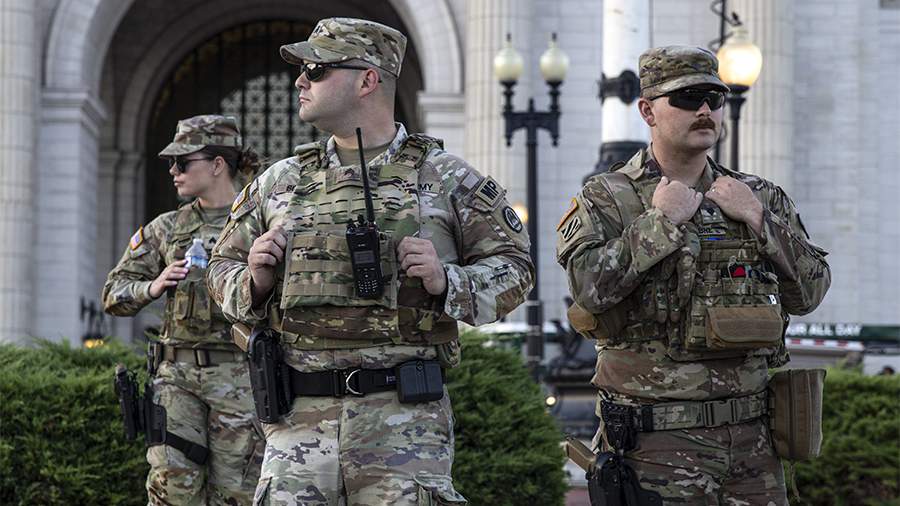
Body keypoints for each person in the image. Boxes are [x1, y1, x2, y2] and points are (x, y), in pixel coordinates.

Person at [207, 17, 534, 506]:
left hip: (404, 430)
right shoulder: (280, 182)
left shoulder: (445, 178)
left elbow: (516, 268)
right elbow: (218, 268)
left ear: (367, 79)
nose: (300, 81)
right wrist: (253, 280)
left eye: (316, 70)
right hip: (297, 428)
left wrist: (450, 282)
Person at [556, 46, 831, 504]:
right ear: (647, 110)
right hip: (656, 446)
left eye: (713, 98)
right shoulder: (608, 198)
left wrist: (760, 221)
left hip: (754, 443)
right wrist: (659, 223)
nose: (704, 110)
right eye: (685, 98)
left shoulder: (757, 195)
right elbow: (587, 288)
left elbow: (811, 291)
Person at [102, 115, 264, 505]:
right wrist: (153, 286)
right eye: (171, 163)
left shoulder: (259, 222)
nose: (173, 171)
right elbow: (113, 294)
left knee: (239, 493)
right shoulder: (166, 228)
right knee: (172, 489)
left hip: (241, 378)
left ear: (217, 164)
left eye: (182, 162)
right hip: (177, 379)